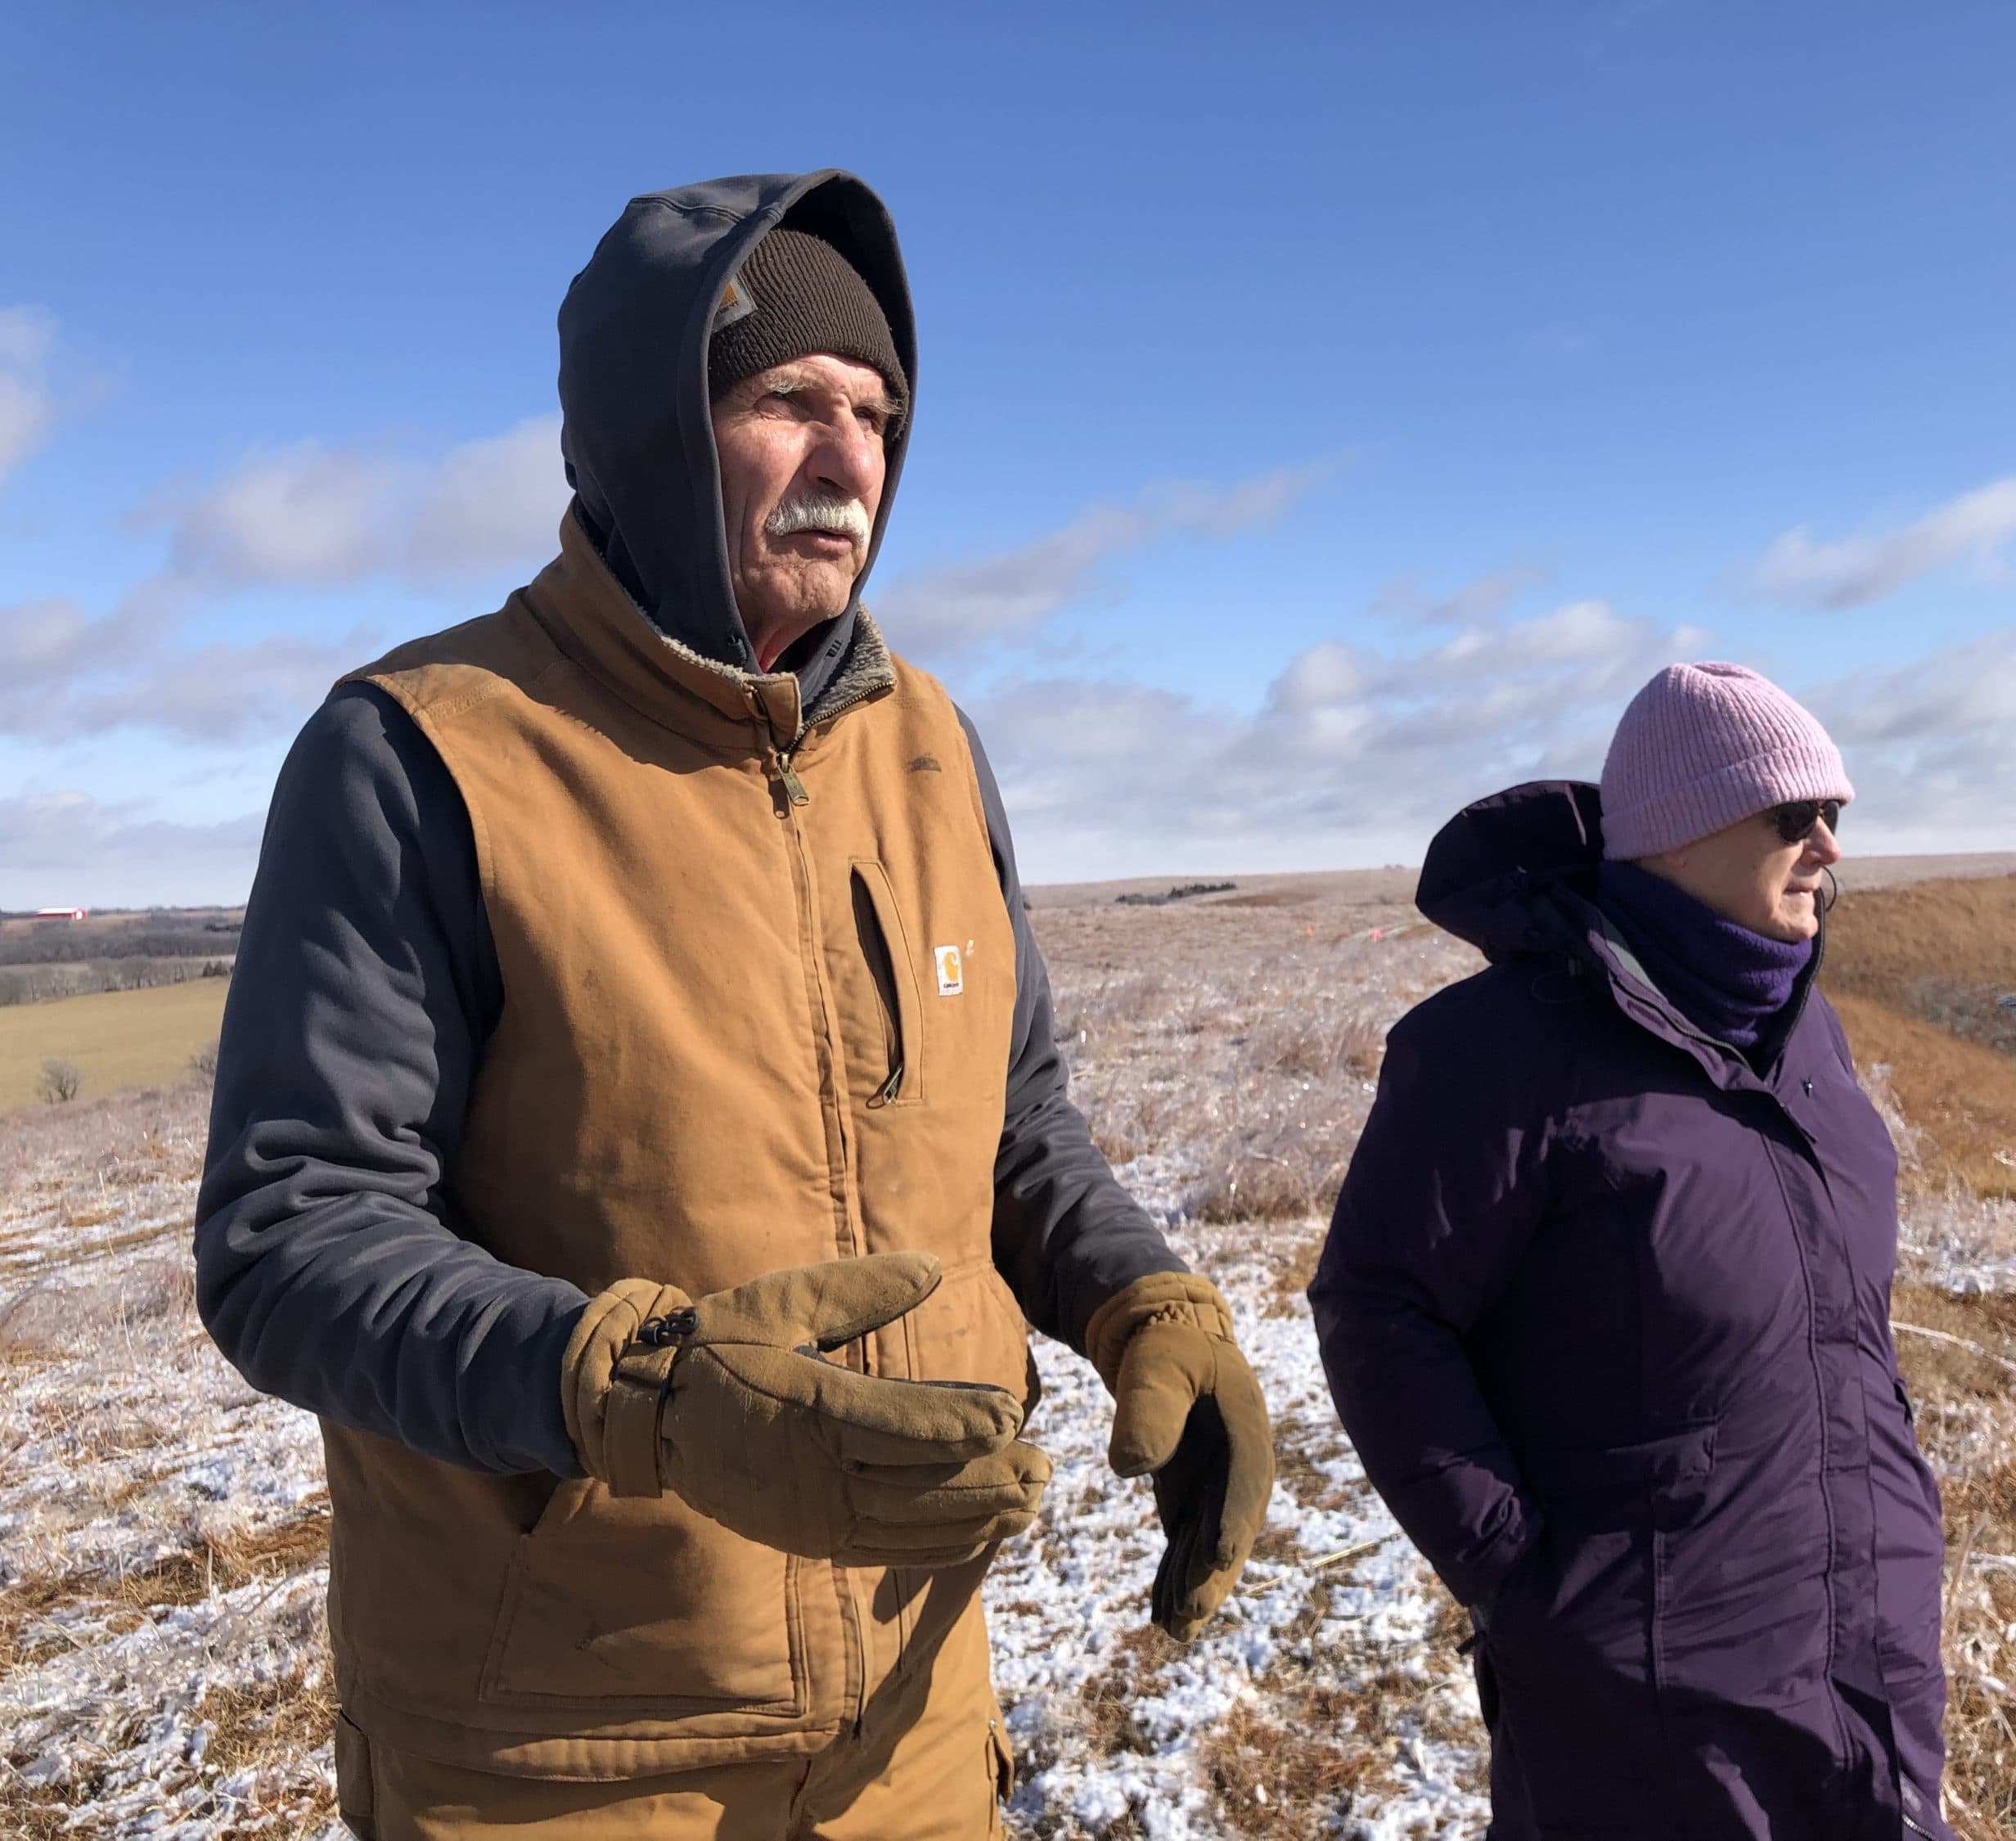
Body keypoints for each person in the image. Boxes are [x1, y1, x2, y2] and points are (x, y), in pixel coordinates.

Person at [195, 169, 1272, 1841]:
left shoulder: (932, 751)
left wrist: (1148, 1309)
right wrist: (634, 1390)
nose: (853, 460)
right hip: (560, 1759)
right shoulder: (421, 754)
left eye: (879, 412)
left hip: (913, 1731)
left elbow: (1016, 1125)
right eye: (789, 399)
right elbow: (293, 1238)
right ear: (649, 428)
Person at [1310, 662, 1953, 1839]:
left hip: (1873, 1659)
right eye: (1793, 815)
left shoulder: (1807, 1029)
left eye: (1838, 816)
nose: (1829, 846)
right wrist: (1525, 1577)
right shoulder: (1500, 1051)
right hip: (1649, 1713)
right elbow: (1376, 1307)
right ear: (1678, 829)